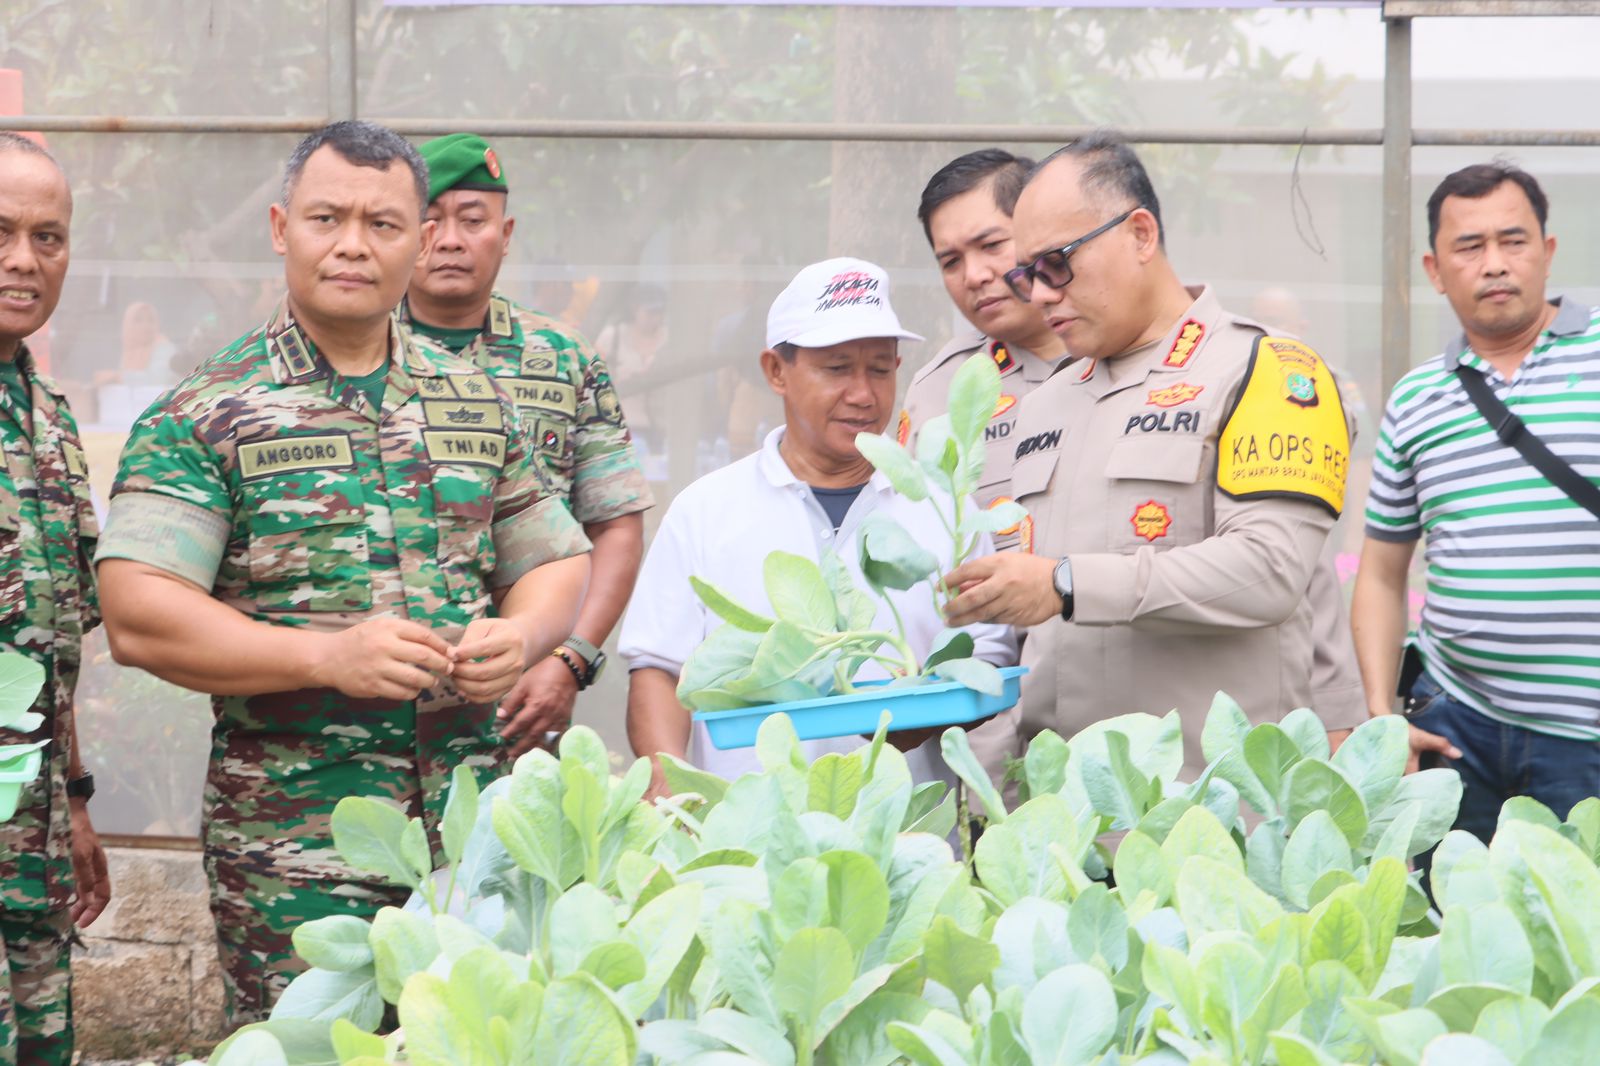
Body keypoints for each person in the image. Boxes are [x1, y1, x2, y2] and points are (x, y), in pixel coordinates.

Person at [92, 121, 592, 1024]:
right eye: (328, 218)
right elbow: (137, 612)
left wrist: (520, 635)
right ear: (282, 227)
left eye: (383, 224)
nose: (354, 244)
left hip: (472, 837)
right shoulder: (207, 412)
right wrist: (323, 658)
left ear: (420, 239)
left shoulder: (475, 399)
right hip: (297, 851)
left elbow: (555, 557)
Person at [943, 134, 1363, 775]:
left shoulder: (1266, 369)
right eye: (1028, 275)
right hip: (1061, 809)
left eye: (1056, 264)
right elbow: (1029, 638)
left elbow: (1270, 570)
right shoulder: (1048, 401)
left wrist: (1065, 585)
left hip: (1206, 805)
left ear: (1140, 234)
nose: (1041, 294)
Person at [620, 257, 1016, 791]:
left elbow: (989, 653)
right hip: (748, 829)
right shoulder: (705, 511)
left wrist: (929, 713)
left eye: (880, 369)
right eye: (837, 369)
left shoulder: (946, 510)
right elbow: (658, 669)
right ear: (775, 371)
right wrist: (667, 780)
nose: (863, 394)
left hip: (906, 829)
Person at [1352, 162, 1600, 840]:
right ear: (1435, 271)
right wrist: (1382, 716)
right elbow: (1380, 573)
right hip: (1455, 728)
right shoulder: (1416, 399)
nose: (1494, 263)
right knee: (1448, 903)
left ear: (1547, 252)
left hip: (1586, 741)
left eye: (1513, 241)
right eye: (1470, 246)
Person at [402, 133, 652, 756]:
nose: (450, 240)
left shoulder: (563, 358)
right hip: (379, 710)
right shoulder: (355, 354)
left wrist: (571, 658)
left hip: (522, 702)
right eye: (430, 220)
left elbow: (615, 523)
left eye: (473, 220)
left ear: (506, 233)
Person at [900, 148, 1070, 787]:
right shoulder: (939, 395)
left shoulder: (1144, 366)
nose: (974, 275)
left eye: (991, 245)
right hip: (991, 749)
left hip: (1129, 722)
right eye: (950, 261)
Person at [0, 131, 110, 1066]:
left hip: (27, 850)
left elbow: (52, 644)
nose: (23, 260)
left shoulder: (49, 419)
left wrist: (73, 801)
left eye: (49, 237)